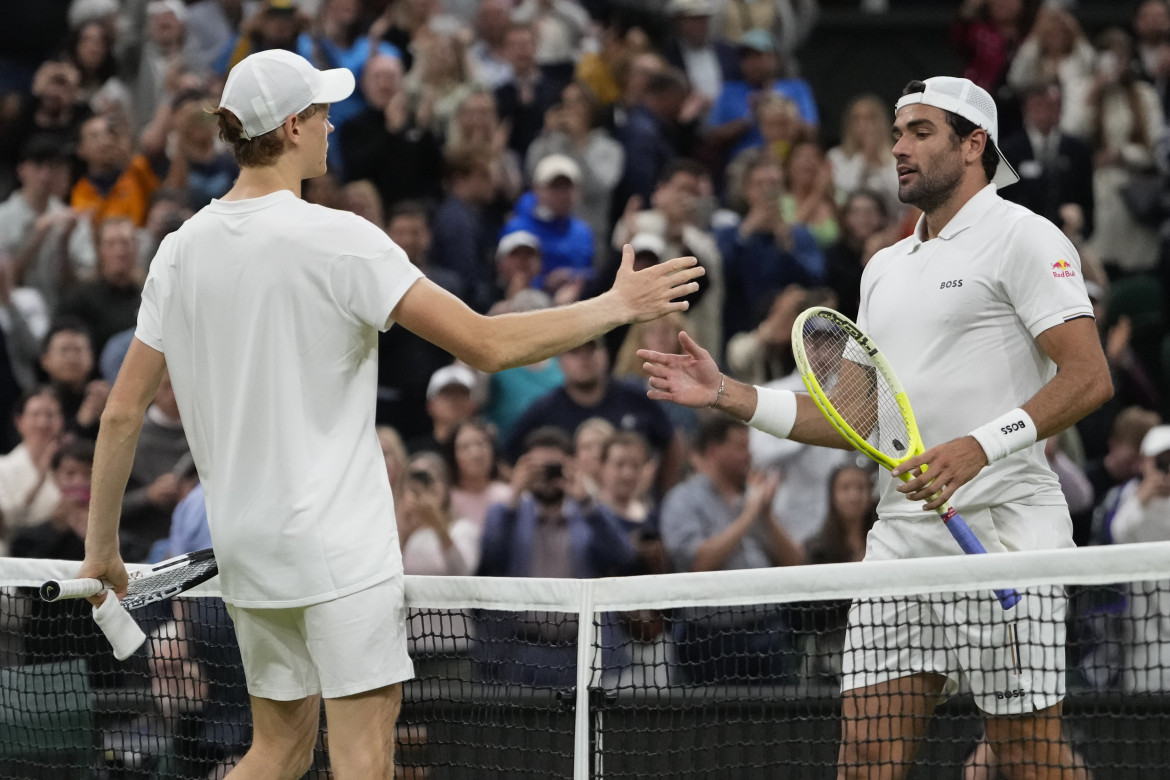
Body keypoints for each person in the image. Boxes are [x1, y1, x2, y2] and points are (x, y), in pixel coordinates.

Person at [75, 48, 702, 780]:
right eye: (320, 112)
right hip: (339, 550)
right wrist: (617, 306)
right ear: (291, 127)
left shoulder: (178, 252)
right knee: (364, 757)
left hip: (247, 547)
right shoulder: (340, 239)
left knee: (275, 749)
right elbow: (488, 344)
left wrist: (102, 550)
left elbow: (122, 415)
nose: (333, 126)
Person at [638, 76, 1114, 779]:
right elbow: (860, 422)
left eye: (920, 132)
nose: (899, 148)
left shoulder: (1024, 236)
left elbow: (1089, 378)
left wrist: (977, 447)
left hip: (1007, 533)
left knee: (1026, 755)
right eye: (896, 133)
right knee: (865, 752)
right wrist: (729, 395)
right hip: (901, 541)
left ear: (974, 144)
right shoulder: (883, 266)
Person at [659, 415, 803, 685]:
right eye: (740, 447)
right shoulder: (683, 499)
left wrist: (766, 516)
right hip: (710, 641)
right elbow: (697, 563)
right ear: (714, 451)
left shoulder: (754, 497)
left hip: (767, 633)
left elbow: (795, 562)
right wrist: (749, 514)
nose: (748, 455)